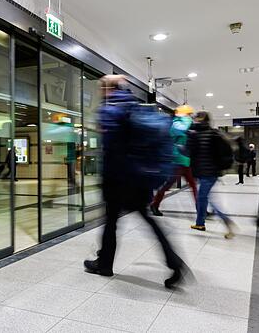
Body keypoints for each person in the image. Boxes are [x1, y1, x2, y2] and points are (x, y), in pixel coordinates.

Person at [83, 75, 186, 288]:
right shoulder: (137, 107)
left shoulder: (110, 110)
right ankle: (175, 263)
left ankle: (104, 264)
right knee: (147, 220)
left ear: (107, 89)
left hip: (118, 178)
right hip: (140, 178)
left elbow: (109, 146)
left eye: (102, 88)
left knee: (111, 222)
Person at [187, 111, 235, 239]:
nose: (195, 120)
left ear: (202, 119)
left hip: (208, 173)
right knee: (203, 198)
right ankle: (200, 223)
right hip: (206, 172)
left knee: (204, 198)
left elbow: (189, 151)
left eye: (197, 118)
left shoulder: (204, 134)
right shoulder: (202, 133)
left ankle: (227, 222)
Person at [150, 104, 197, 216]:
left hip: (185, 160)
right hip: (177, 160)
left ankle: (201, 209)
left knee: (193, 185)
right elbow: (180, 131)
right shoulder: (176, 123)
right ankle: (154, 204)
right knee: (168, 184)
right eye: (189, 114)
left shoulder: (185, 123)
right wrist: (188, 121)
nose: (190, 116)